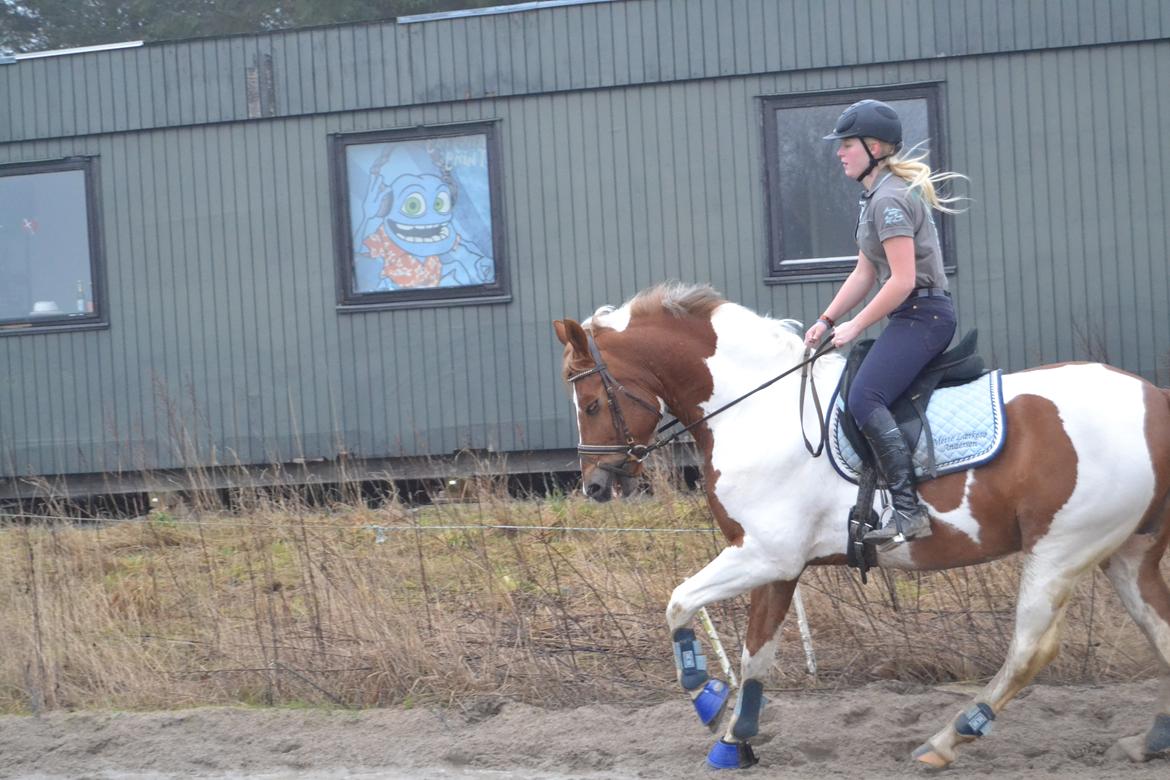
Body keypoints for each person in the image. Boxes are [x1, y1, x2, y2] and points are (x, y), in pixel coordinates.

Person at [803, 99, 966, 546]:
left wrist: (854, 326)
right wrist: (827, 318)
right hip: (911, 314)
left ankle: (908, 511)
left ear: (873, 147)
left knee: (864, 396)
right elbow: (865, 272)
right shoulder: (875, 197)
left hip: (924, 315)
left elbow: (902, 280)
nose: (839, 152)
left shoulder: (890, 200)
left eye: (847, 145)